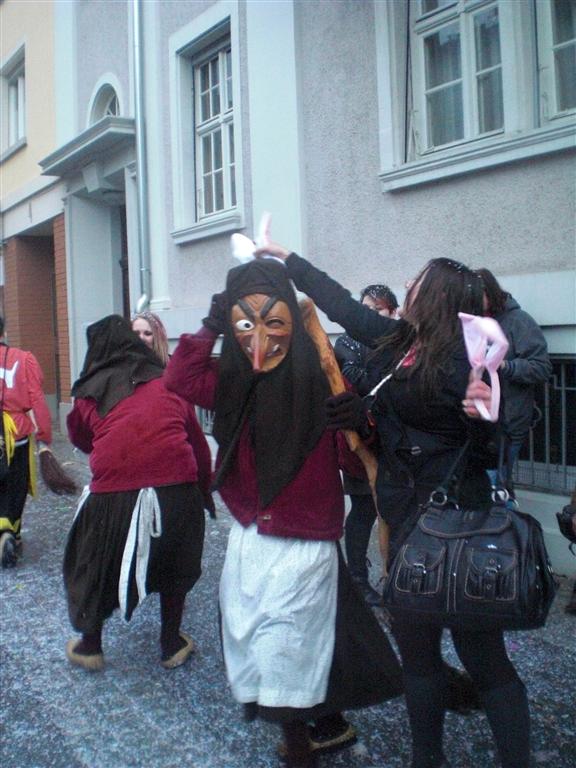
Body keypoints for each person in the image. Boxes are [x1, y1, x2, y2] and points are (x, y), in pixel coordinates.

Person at [254, 244, 531, 768]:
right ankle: (427, 759)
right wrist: (289, 261)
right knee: (419, 660)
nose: (407, 285)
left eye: (417, 280)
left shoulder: (465, 360)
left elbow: (486, 443)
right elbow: (343, 307)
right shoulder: (401, 342)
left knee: (485, 659)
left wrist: (484, 410)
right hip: (407, 526)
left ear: (436, 297)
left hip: (458, 527)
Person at [165, 258, 403, 768]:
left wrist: (360, 419)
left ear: (292, 322)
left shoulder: (322, 380)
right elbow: (180, 377)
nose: (259, 340)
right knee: (283, 634)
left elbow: (358, 460)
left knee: (285, 647)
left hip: (306, 536)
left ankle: (300, 749)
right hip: (253, 532)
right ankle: (329, 723)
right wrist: (210, 324)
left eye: (273, 322)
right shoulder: (230, 382)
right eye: (243, 324)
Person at [63, 315, 213, 671]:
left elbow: (81, 438)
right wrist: (205, 492)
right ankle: (171, 644)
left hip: (114, 494)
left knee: (94, 563)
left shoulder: (89, 390)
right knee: (175, 565)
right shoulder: (169, 381)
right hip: (178, 492)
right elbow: (197, 444)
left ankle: (90, 646)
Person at [334, 284, 398, 606]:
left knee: (395, 510)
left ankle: (397, 577)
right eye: (366, 308)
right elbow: (360, 381)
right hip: (359, 441)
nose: (370, 315)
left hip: (395, 441)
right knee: (363, 510)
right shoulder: (346, 343)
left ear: (392, 312)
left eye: (378, 309)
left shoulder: (398, 340)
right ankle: (357, 578)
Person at [476, 268, 552, 490]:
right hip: (475, 423)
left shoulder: (519, 321)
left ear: (490, 292)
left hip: (507, 424)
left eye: (476, 294)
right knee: (481, 489)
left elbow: (541, 367)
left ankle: (505, 510)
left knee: (495, 488)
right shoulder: (471, 323)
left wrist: (504, 366)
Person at [0, 314, 52, 568]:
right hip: (16, 432)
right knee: (16, 482)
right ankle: (10, 530)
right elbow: (37, 399)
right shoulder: (23, 358)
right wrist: (44, 436)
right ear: (4, 331)